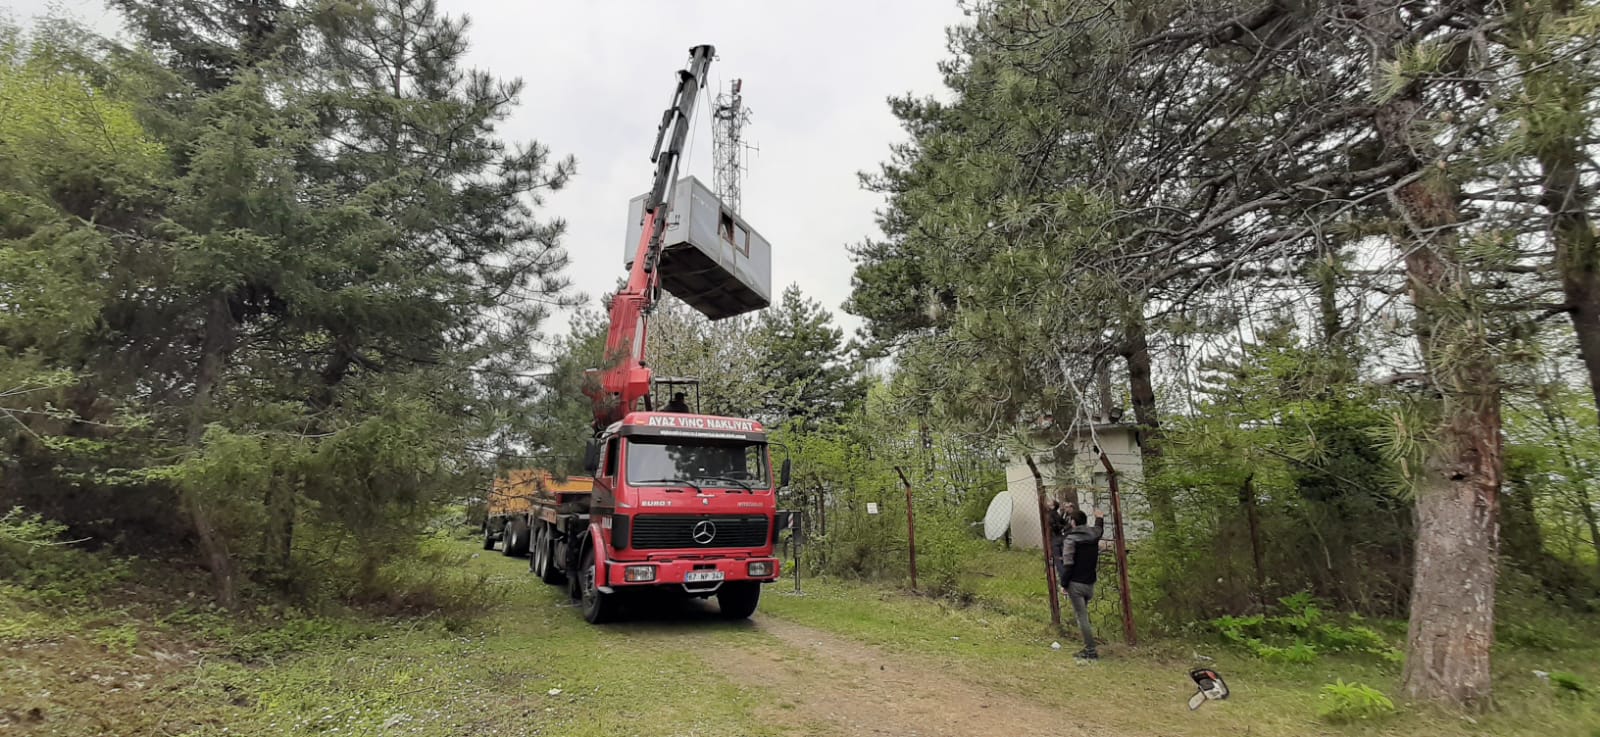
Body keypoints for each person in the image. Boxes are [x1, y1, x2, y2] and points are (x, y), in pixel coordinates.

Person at [1061, 506, 1106, 660]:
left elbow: (1068, 564)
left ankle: (1090, 650)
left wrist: (1064, 584)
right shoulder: (1093, 535)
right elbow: (1099, 529)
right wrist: (1099, 517)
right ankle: (1089, 646)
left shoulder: (1071, 540)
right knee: (1083, 615)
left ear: (1073, 522)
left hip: (1076, 584)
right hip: (1090, 582)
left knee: (1082, 617)